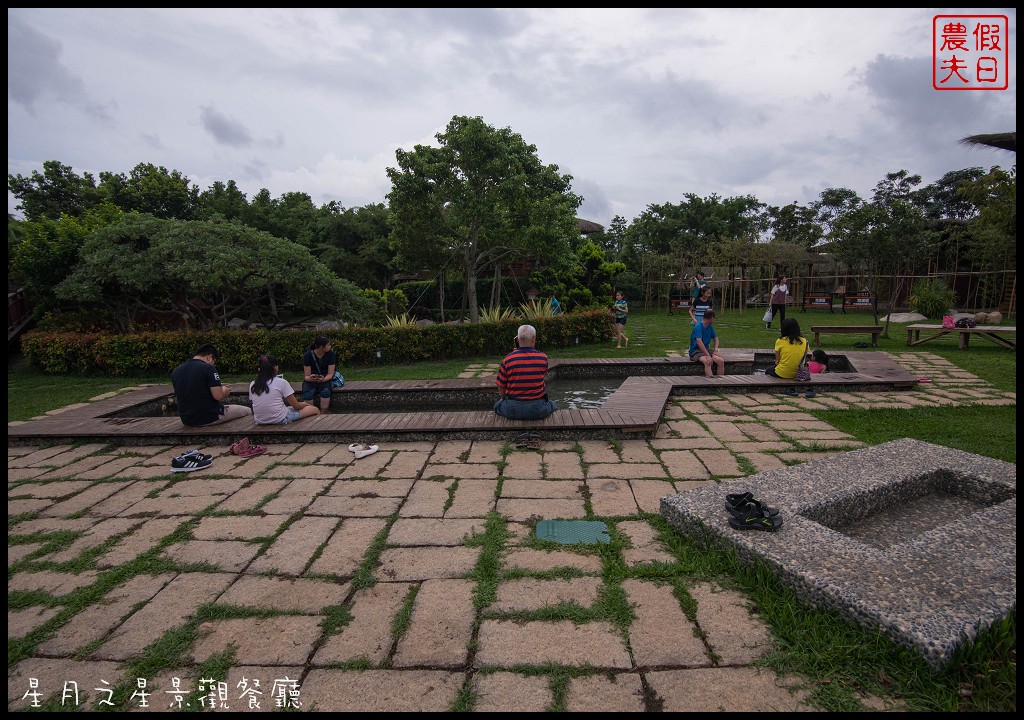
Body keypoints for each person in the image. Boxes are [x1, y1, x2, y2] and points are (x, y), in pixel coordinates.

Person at [171, 344, 252, 427]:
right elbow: (218, 396)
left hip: (187, 420)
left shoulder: (176, 371)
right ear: (209, 357)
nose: (213, 365)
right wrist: (225, 391)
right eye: (214, 361)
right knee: (247, 411)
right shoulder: (208, 368)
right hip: (210, 417)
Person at [494, 324, 557, 420]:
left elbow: (501, 386)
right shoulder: (543, 358)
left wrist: (503, 399)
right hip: (537, 410)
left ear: (518, 339)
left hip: (512, 409)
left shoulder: (508, 359)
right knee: (552, 404)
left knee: (497, 405)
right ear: (533, 339)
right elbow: (542, 377)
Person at [249, 354, 320, 425]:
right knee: (314, 409)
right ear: (275, 368)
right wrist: (304, 404)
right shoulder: (281, 382)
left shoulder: (253, 384)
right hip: (280, 418)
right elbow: (296, 406)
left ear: (260, 369)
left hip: (259, 420)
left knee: (289, 408)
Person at [302, 335, 337, 412]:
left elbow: (330, 374)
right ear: (321, 347)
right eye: (328, 345)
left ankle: (323, 413)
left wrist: (323, 379)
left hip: (325, 378)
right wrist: (311, 378)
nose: (330, 346)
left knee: (326, 392)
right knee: (307, 394)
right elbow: (306, 376)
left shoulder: (331, 354)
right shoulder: (307, 355)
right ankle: (311, 413)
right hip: (312, 379)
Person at [688, 308, 726, 377]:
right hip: (695, 351)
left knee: (720, 360)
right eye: (715, 318)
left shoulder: (710, 326)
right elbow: (699, 342)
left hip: (705, 350)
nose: (715, 319)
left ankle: (721, 382)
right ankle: (710, 382)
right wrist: (708, 355)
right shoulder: (698, 327)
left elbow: (716, 339)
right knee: (707, 362)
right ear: (711, 318)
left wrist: (715, 350)